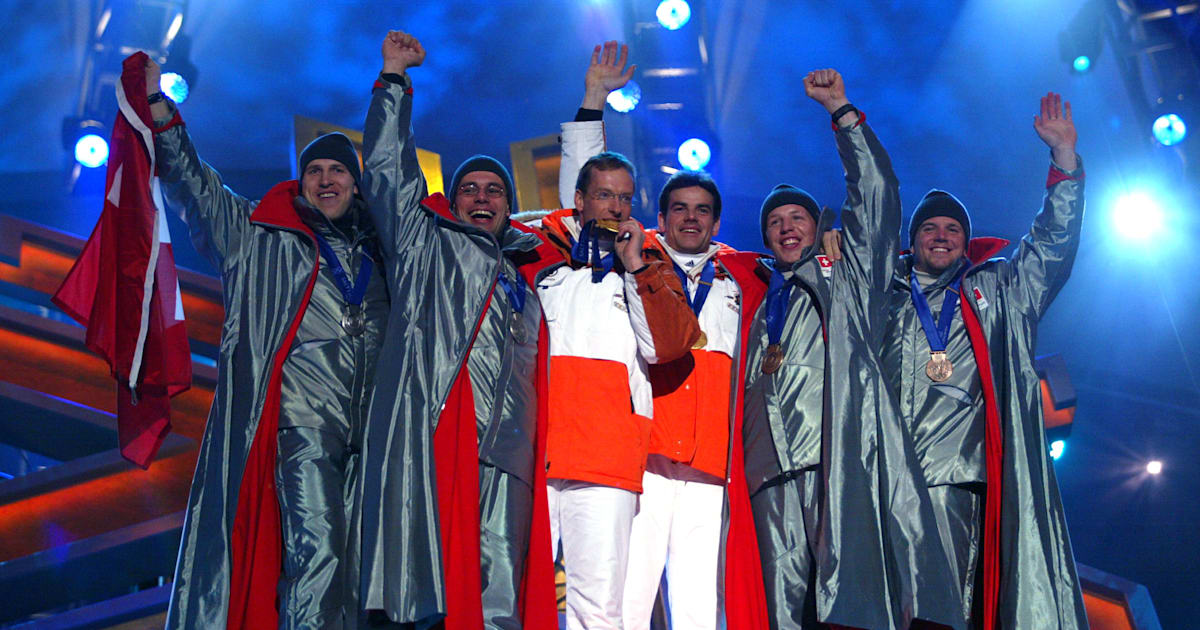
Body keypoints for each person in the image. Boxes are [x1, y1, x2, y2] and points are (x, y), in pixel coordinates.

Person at [827, 92, 1088, 629]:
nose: (940, 236)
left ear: (968, 243)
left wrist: (1064, 162)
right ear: (911, 241)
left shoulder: (999, 291)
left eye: (951, 229)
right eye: (929, 228)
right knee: (891, 607)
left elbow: (1051, 247)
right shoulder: (884, 295)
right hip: (888, 476)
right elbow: (867, 207)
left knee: (949, 609)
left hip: (957, 477)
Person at [145, 59, 388, 629]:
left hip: (374, 430)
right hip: (301, 425)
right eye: (314, 172)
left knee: (364, 569)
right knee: (318, 553)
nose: (325, 180)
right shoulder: (262, 236)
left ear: (356, 185)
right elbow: (196, 187)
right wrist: (159, 106)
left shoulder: (385, 254)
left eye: (337, 171)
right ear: (300, 182)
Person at [721, 69, 961, 630]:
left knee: (851, 606)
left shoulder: (848, 275)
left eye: (797, 218)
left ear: (818, 225)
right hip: (768, 469)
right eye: (774, 222)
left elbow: (876, 196)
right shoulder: (753, 298)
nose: (785, 228)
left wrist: (842, 114)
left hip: (836, 460)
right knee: (785, 614)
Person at [355, 30, 559, 629]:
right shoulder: (427, 243)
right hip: (439, 431)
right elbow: (389, 174)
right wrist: (394, 79)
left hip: (512, 446)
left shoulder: (534, 267)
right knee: (429, 586)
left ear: (510, 205)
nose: (481, 198)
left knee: (501, 589)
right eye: (468, 188)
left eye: (495, 191)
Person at [530, 41, 701, 630]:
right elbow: (584, 171)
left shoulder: (650, 263)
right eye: (603, 196)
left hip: (605, 452)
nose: (615, 206)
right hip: (535, 444)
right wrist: (591, 102)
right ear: (577, 203)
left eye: (627, 198)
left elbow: (668, 348)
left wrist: (638, 269)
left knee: (598, 607)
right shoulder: (543, 249)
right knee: (518, 596)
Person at [618, 169, 739, 630]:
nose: (691, 218)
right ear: (661, 219)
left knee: (698, 606)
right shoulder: (631, 267)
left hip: (709, 464)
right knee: (628, 596)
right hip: (644, 460)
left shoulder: (740, 279)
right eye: (681, 209)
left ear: (716, 223)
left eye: (702, 210)